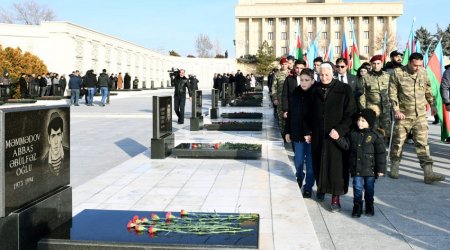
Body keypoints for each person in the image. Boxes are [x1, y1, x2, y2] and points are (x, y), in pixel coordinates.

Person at [389, 52, 445, 184]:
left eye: (420, 65)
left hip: (420, 115)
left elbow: (428, 90)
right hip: (403, 115)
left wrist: (432, 105)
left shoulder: (423, 73)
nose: (417, 68)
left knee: (423, 144)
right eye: (415, 65)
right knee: (398, 143)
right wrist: (396, 110)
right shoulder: (397, 73)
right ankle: (395, 166)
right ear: (409, 62)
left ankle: (428, 172)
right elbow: (392, 93)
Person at [310, 63, 356, 212]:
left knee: (336, 168)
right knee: (319, 163)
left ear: (333, 74)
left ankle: (335, 198)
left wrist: (340, 130)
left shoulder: (344, 89)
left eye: (326, 75)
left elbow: (351, 114)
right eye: (321, 75)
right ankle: (321, 189)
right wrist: (308, 131)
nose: (323, 78)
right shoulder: (314, 89)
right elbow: (308, 113)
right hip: (318, 135)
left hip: (336, 136)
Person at [334, 109, 386, 217]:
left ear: (369, 123)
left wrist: (380, 169)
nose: (359, 122)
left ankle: (369, 206)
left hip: (370, 169)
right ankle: (357, 206)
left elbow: (380, 153)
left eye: (363, 120)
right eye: (358, 120)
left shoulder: (375, 136)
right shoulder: (353, 134)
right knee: (357, 188)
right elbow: (346, 145)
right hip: (357, 169)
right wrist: (338, 139)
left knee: (369, 189)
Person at [284, 68, 315, 198]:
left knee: (311, 163)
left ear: (313, 81)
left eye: (306, 80)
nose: (303, 82)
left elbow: (318, 116)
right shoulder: (295, 92)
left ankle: (308, 187)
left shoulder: (316, 93)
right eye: (301, 80)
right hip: (297, 133)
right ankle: (299, 177)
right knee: (298, 160)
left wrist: (312, 132)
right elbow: (290, 113)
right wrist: (287, 131)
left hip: (311, 135)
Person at [359, 55, 392, 142]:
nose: (376, 65)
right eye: (374, 63)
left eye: (378, 63)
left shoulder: (388, 76)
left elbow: (392, 91)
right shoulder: (365, 77)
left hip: (386, 108)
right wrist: (363, 109)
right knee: (374, 130)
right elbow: (362, 95)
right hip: (372, 109)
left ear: (381, 64)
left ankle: (384, 149)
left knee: (387, 130)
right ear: (371, 64)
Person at [42, 111, 70, 176]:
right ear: (49, 139)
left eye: (58, 134)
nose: (56, 141)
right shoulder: (43, 162)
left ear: (62, 136)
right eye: (53, 136)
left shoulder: (68, 153)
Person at [272, 57, 289, 136]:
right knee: (281, 117)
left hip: (290, 99)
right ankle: (283, 135)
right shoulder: (277, 74)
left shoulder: (291, 73)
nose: (284, 66)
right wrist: (275, 98)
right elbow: (274, 87)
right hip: (280, 99)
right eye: (282, 64)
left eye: (285, 64)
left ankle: (290, 134)